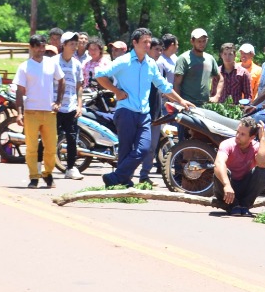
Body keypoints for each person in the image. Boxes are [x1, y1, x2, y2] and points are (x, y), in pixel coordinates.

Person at [93, 27, 197, 188]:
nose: (148, 45)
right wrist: (116, 91)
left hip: (144, 114)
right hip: (126, 111)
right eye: (144, 42)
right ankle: (124, 181)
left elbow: (164, 86)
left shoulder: (151, 64)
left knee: (144, 148)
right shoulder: (124, 61)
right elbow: (100, 75)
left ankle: (115, 177)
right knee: (125, 150)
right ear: (134, 43)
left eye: (149, 41)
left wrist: (181, 101)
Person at [13, 34, 65, 188]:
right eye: (37, 46)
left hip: (49, 112)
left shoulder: (51, 63)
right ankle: (33, 176)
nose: (40, 49)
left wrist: (58, 101)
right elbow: (19, 91)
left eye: (42, 46)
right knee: (31, 147)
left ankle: (48, 174)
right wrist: (19, 113)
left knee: (50, 147)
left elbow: (61, 81)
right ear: (31, 48)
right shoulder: (24, 66)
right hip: (31, 111)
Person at [213, 117, 265, 216]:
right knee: (222, 171)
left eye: (242, 134)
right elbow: (218, 163)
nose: (238, 136)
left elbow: (263, 163)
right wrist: (227, 185)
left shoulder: (256, 146)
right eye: (238, 132)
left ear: (252, 137)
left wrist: (262, 138)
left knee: (261, 172)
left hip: (244, 187)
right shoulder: (227, 144)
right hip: (227, 187)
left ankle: (245, 206)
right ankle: (233, 206)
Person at [138, 37, 175, 184]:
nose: (159, 52)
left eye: (161, 49)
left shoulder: (158, 68)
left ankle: (144, 176)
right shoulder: (142, 66)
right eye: (156, 49)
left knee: (152, 147)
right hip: (141, 112)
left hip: (157, 112)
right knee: (140, 146)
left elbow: (164, 89)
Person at [57, 32, 85, 180]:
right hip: (55, 107)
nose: (74, 47)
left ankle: (71, 168)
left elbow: (79, 85)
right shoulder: (54, 62)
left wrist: (79, 105)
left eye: (76, 44)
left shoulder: (77, 64)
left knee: (72, 138)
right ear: (64, 45)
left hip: (71, 107)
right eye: (71, 44)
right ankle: (39, 164)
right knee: (49, 137)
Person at [174, 28, 222, 106]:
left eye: (204, 41)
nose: (202, 44)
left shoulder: (210, 58)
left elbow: (221, 79)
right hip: (188, 104)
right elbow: (176, 84)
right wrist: (180, 102)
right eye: (199, 41)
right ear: (192, 42)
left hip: (206, 105)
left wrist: (217, 96)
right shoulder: (183, 59)